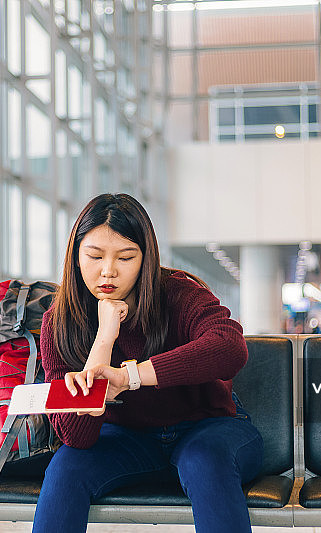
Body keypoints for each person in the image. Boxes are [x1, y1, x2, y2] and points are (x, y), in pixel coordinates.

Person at [33, 193, 263, 533]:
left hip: (208, 428)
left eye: (126, 257)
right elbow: (77, 436)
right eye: (94, 256)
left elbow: (230, 347)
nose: (107, 271)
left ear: (145, 258)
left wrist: (131, 376)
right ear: (76, 257)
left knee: (204, 462)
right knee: (66, 467)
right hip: (125, 437)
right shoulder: (60, 321)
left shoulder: (177, 293)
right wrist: (105, 336)